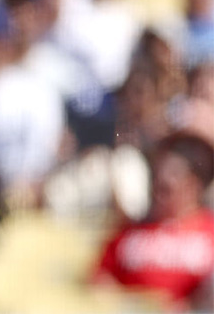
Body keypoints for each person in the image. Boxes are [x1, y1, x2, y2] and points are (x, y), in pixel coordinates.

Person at [91, 131, 214, 311]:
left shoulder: (209, 232)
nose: (157, 189)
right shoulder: (130, 232)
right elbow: (99, 280)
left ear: (193, 184)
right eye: (154, 179)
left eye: (165, 187)